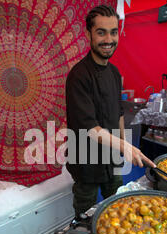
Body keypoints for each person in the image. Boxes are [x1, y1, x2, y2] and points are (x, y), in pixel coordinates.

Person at [65, 4, 156, 220]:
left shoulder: (114, 72)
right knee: (84, 216)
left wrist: (123, 147)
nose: (109, 39)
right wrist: (125, 145)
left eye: (113, 32)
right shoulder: (78, 76)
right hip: (85, 160)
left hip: (112, 158)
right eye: (101, 32)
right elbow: (89, 128)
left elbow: (119, 113)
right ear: (89, 34)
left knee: (116, 208)